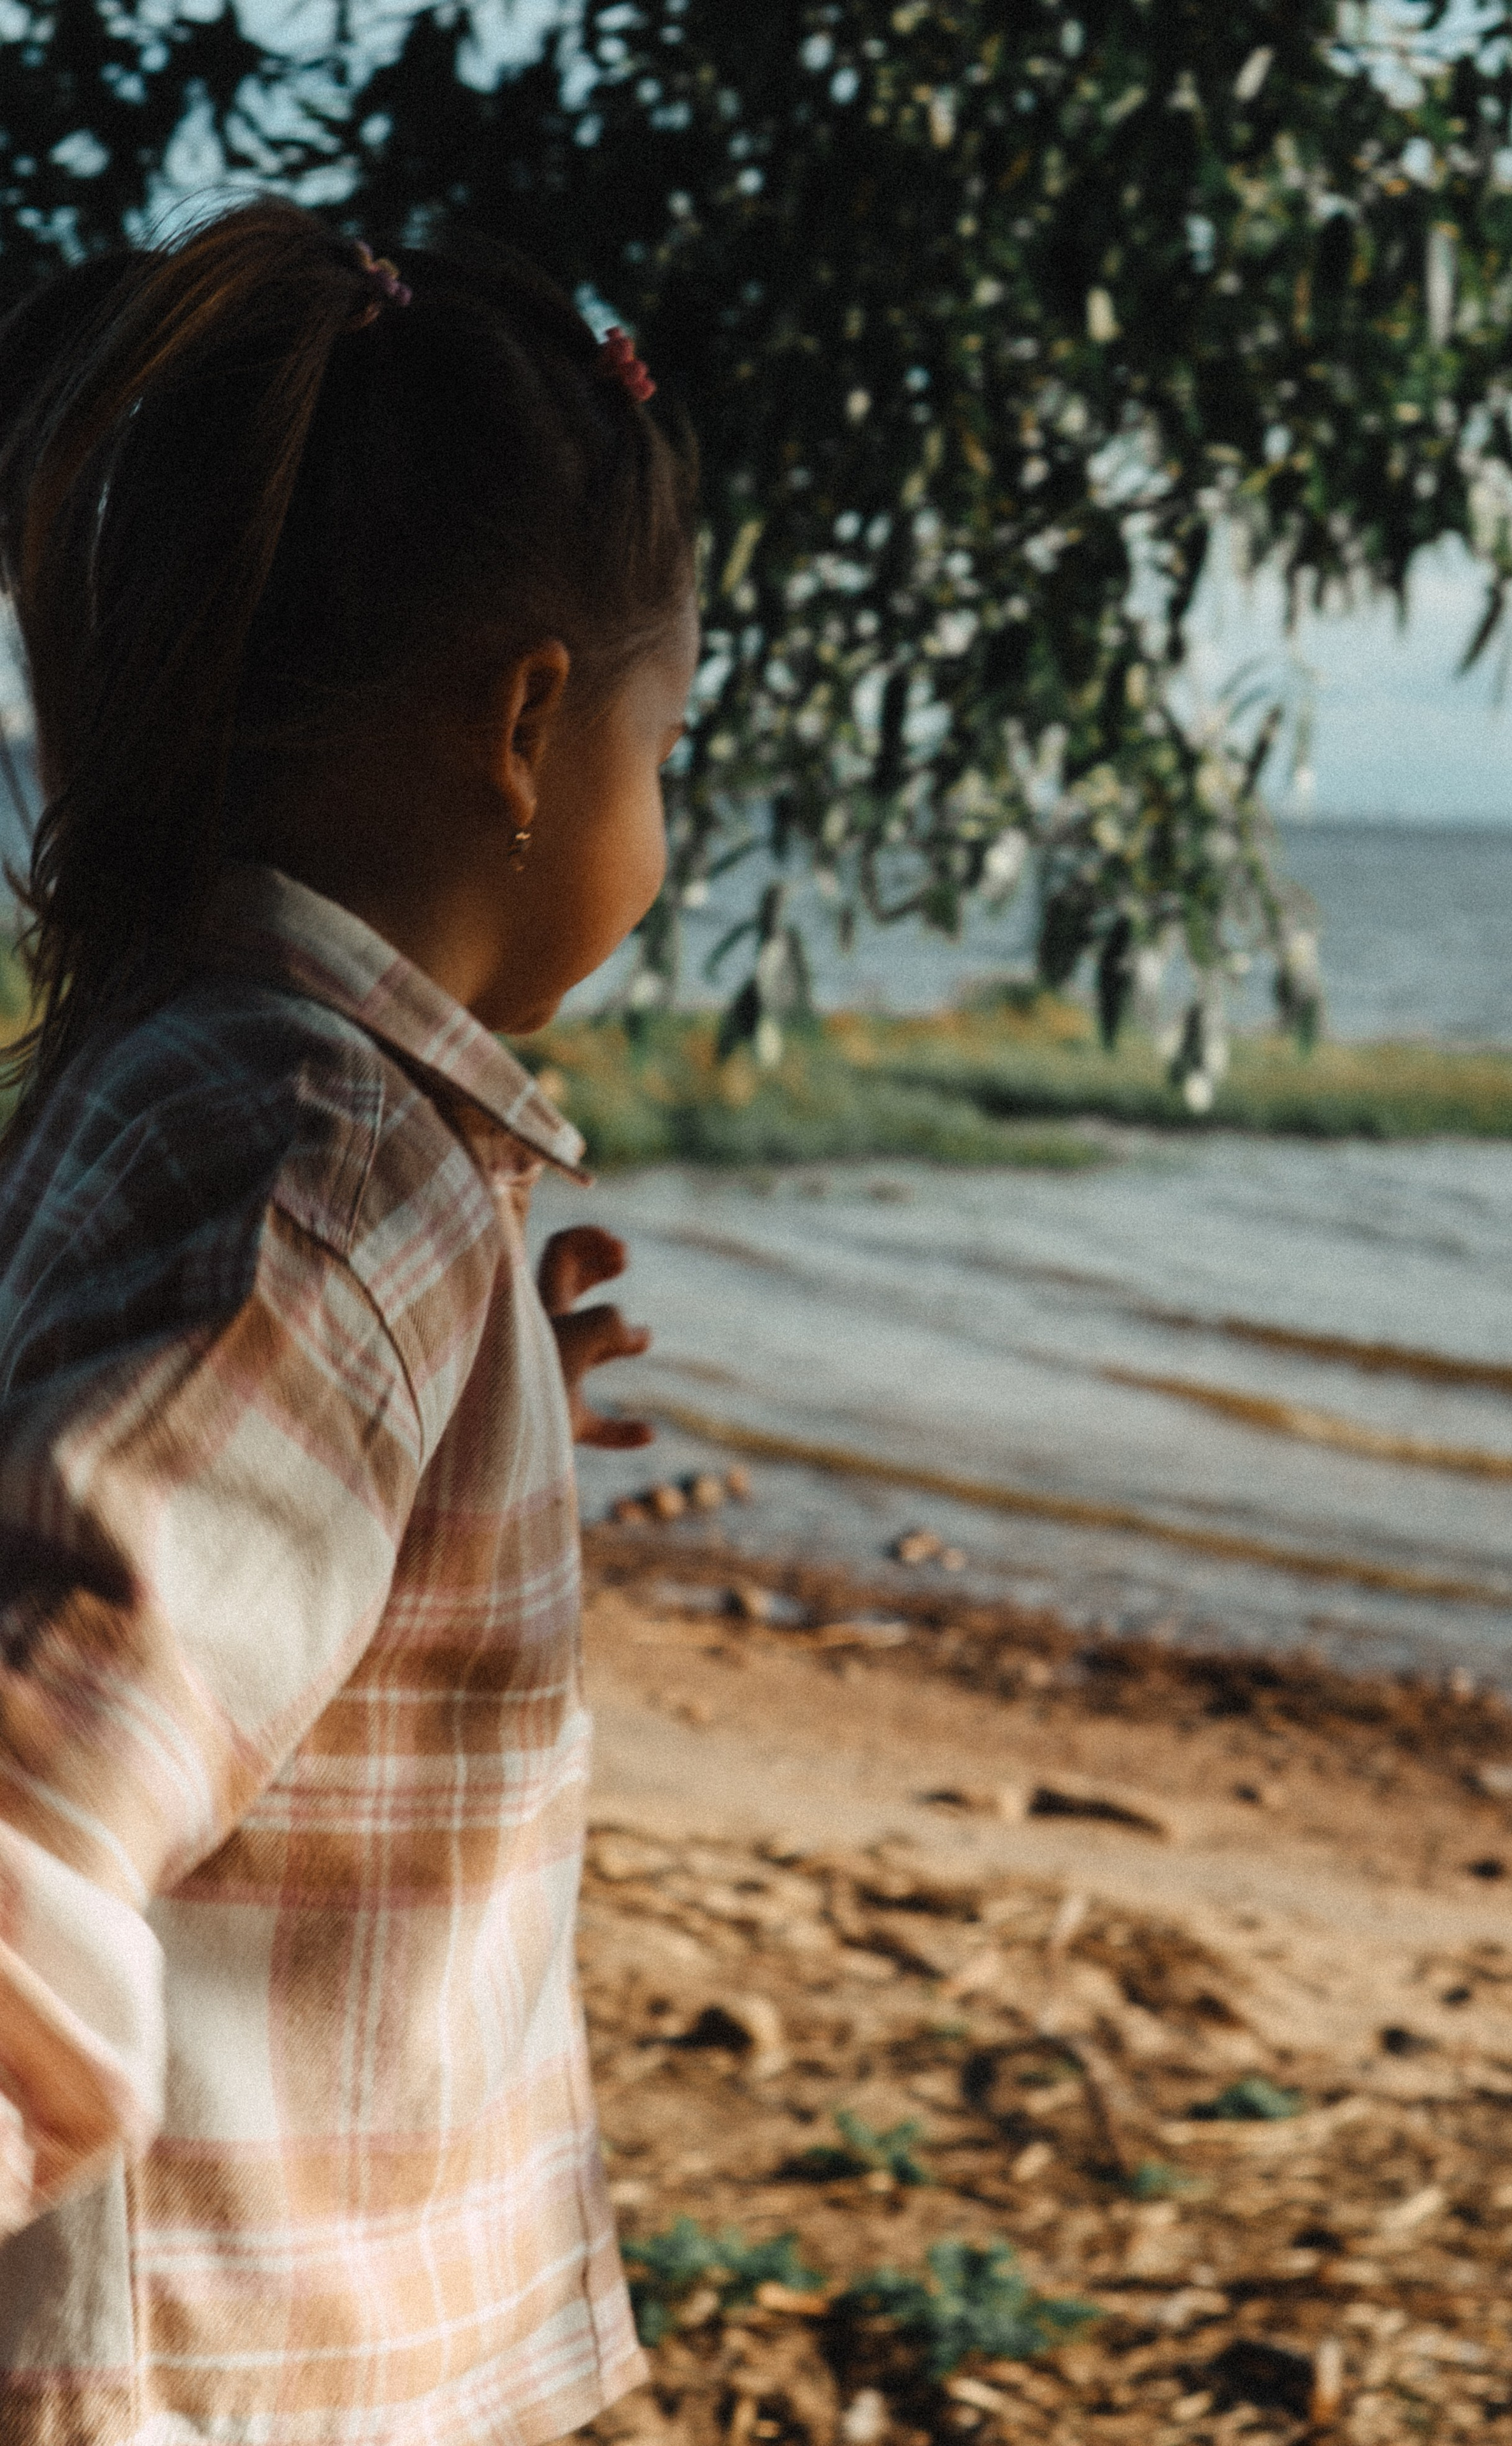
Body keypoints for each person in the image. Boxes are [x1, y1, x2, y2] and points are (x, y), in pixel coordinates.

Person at [0, 197, 697, 2443]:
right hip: (237, 2378)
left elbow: (152, 1489)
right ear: (526, 724)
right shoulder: (326, 1175)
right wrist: (369, 1325)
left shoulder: (192, 1076)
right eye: (663, 748)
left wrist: (451, 1425)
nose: (662, 826)